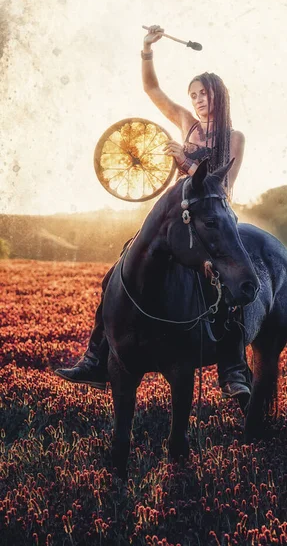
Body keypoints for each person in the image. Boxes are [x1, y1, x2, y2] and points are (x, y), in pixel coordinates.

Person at [55, 25, 249, 399]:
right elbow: (152, 90)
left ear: (218, 95)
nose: (197, 100)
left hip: (213, 216)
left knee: (229, 280)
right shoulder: (187, 124)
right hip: (177, 213)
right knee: (119, 270)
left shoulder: (234, 137)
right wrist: (147, 49)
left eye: (203, 93)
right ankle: (97, 357)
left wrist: (187, 162)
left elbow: (222, 188)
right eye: (193, 95)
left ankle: (232, 369)